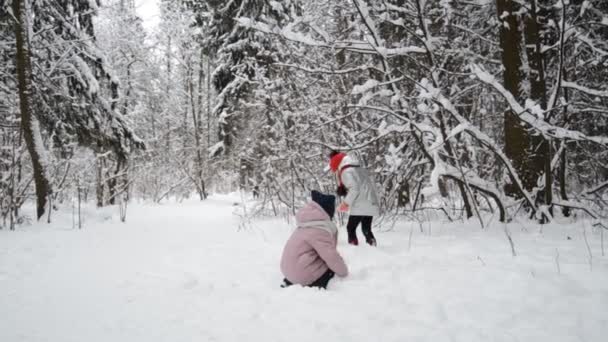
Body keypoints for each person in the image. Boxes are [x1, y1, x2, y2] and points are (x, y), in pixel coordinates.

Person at [280, 190, 348, 289]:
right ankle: (309, 283)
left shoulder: (306, 223)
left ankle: (291, 281)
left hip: (287, 270)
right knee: (331, 269)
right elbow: (331, 257)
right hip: (300, 273)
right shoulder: (319, 230)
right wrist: (344, 273)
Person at [329, 150, 380, 246]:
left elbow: (355, 189)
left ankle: (354, 249)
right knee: (366, 228)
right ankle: (373, 246)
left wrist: (346, 203)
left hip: (360, 203)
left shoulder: (346, 172)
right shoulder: (358, 168)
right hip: (371, 201)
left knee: (350, 228)